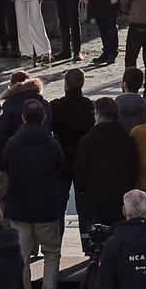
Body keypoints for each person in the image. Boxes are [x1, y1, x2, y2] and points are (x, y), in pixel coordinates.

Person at [2, 100, 66, 289]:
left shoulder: (12, 143)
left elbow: (6, 167)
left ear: (23, 118)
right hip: (46, 207)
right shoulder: (52, 144)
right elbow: (59, 168)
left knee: (22, 256)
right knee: (51, 253)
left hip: (19, 207)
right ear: (44, 118)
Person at [75, 97, 141, 235]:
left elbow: (80, 171)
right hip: (120, 197)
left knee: (98, 236)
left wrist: (83, 190)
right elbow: (134, 169)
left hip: (95, 197)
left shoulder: (87, 140)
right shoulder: (128, 140)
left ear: (98, 115)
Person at [48, 68, 95, 210]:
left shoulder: (55, 106)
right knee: (84, 204)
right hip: (83, 158)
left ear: (65, 84)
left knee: (59, 203)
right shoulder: (89, 106)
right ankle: (86, 232)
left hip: (63, 158)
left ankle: (59, 231)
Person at [0, 72, 45, 152]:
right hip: (43, 150)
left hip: (17, 152)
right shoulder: (44, 103)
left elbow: (1, 134)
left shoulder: (10, 104)